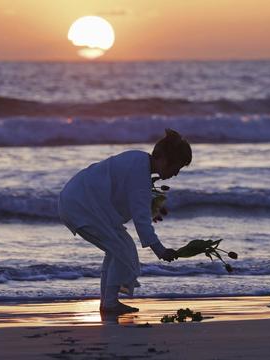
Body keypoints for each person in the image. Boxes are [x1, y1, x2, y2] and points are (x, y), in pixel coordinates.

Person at [58, 128, 192, 314]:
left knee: (118, 249)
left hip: (80, 201)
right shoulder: (140, 172)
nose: (176, 173)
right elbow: (141, 220)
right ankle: (109, 304)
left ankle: (108, 302)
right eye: (175, 167)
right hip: (82, 205)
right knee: (121, 249)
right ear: (162, 158)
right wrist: (160, 251)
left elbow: (129, 198)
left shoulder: (138, 162)